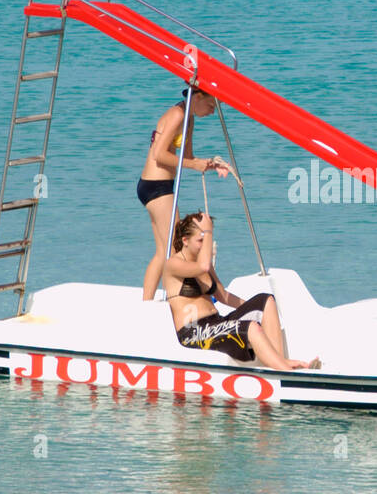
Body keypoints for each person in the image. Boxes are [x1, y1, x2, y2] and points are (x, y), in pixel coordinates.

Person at [164, 211, 319, 370]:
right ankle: (285, 371)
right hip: (194, 333)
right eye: (200, 241)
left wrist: (252, 308)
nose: (205, 246)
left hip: (216, 322)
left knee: (266, 301)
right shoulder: (173, 265)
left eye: (206, 240)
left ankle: (280, 361)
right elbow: (201, 266)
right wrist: (209, 231)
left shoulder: (204, 264)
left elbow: (223, 296)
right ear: (185, 241)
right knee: (251, 327)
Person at [137, 89, 229, 301]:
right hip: (156, 186)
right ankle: (179, 299)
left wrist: (208, 165)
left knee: (163, 251)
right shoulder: (178, 115)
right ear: (198, 97)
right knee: (177, 248)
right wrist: (193, 164)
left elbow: (187, 157)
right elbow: (159, 154)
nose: (212, 112)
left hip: (156, 186)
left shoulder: (188, 118)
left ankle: (147, 302)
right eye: (211, 105)